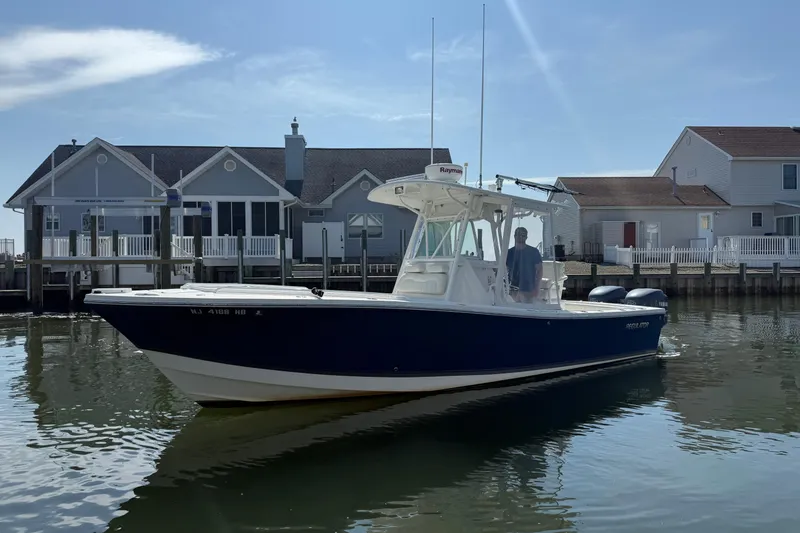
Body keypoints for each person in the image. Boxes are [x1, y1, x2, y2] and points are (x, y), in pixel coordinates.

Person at [506, 226, 543, 303]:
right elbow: (504, 270)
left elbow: (540, 270)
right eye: (518, 235)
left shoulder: (533, 252)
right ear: (514, 236)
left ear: (526, 237)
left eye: (523, 235)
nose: (520, 237)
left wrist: (537, 288)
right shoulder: (509, 253)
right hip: (511, 290)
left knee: (527, 309)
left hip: (529, 290)